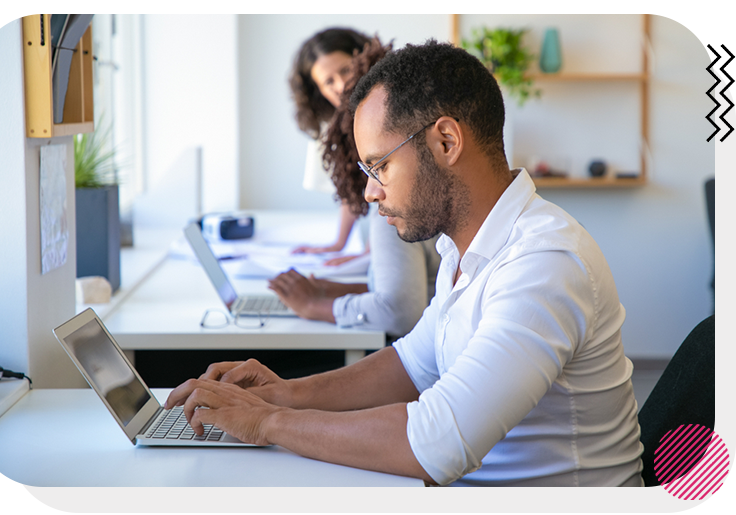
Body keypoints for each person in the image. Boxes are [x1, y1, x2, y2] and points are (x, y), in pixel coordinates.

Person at [165, 40, 644, 487]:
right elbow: (412, 364)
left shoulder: (543, 263)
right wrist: (283, 393)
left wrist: (267, 422)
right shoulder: (466, 246)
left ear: (446, 143)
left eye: (380, 167)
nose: (370, 192)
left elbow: (437, 443)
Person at [271, 36, 441, 339]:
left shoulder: (395, 193)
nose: (370, 193)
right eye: (328, 81)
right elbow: (415, 285)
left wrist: (315, 304)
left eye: (378, 166)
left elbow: (400, 309)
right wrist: (327, 287)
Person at [288, 27, 370, 266]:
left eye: (346, 70)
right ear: (319, 91)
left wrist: (369, 254)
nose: (342, 84)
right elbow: (352, 188)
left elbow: (398, 194)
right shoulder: (336, 127)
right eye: (328, 81)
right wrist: (338, 244)